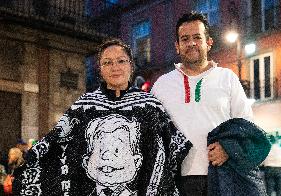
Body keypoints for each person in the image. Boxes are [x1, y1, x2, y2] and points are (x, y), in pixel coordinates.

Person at [13, 39, 192, 195]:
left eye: (121, 61)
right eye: (107, 62)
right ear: (100, 69)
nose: (115, 67)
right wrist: (27, 165)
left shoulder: (150, 106)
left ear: (131, 65)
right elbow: (56, 144)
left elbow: (172, 149)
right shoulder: (83, 106)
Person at [151, 11, 268, 195]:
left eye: (197, 37)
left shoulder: (227, 78)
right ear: (177, 46)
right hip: (174, 182)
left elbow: (246, 126)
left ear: (209, 42)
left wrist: (228, 149)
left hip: (222, 178)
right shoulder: (161, 85)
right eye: (185, 39)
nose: (191, 43)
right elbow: (151, 132)